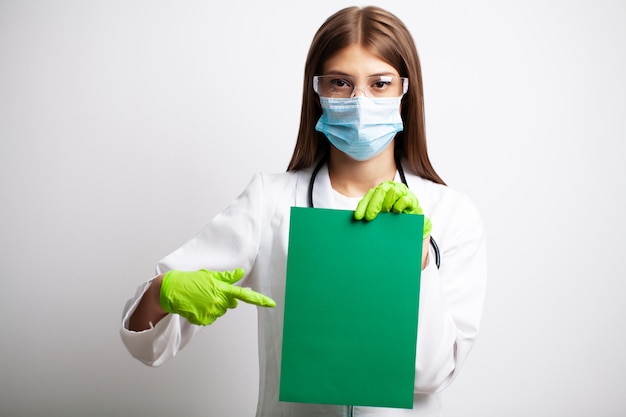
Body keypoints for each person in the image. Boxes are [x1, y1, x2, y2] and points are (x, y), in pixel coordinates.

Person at [120, 5, 487, 417]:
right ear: (317, 92)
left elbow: (432, 373)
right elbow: (146, 341)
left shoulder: (451, 213)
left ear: (406, 90)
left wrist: (414, 254)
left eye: (380, 83)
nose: (360, 101)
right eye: (340, 83)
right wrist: (162, 293)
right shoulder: (270, 201)